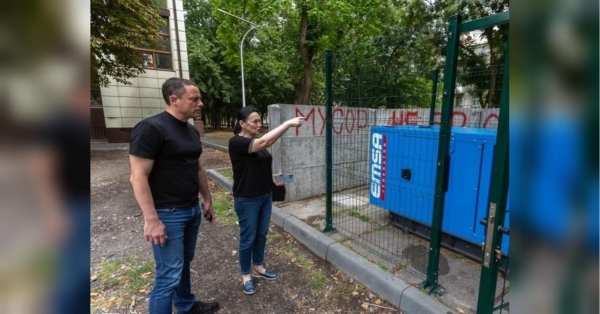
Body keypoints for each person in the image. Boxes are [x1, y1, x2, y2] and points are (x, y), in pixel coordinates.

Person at [129, 77, 219, 314]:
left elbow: (197, 167)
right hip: (167, 214)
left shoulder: (190, 130)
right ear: (174, 99)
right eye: (194, 99)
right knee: (168, 275)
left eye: (200, 99)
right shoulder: (151, 128)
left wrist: (207, 199)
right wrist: (151, 220)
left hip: (190, 209)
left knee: (183, 263)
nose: (200, 103)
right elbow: (138, 177)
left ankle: (186, 305)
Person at [228, 106, 304, 295]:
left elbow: (259, 161)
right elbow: (264, 142)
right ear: (242, 124)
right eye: (254, 121)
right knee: (248, 238)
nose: (258, 124)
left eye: (259, 120)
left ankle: (259, 267)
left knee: (261, 234)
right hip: (247, 199)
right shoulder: (236, 142)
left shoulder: (255, 143)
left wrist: (273, 178)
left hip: (264, 196)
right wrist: (287, 124)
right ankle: (246, 275)